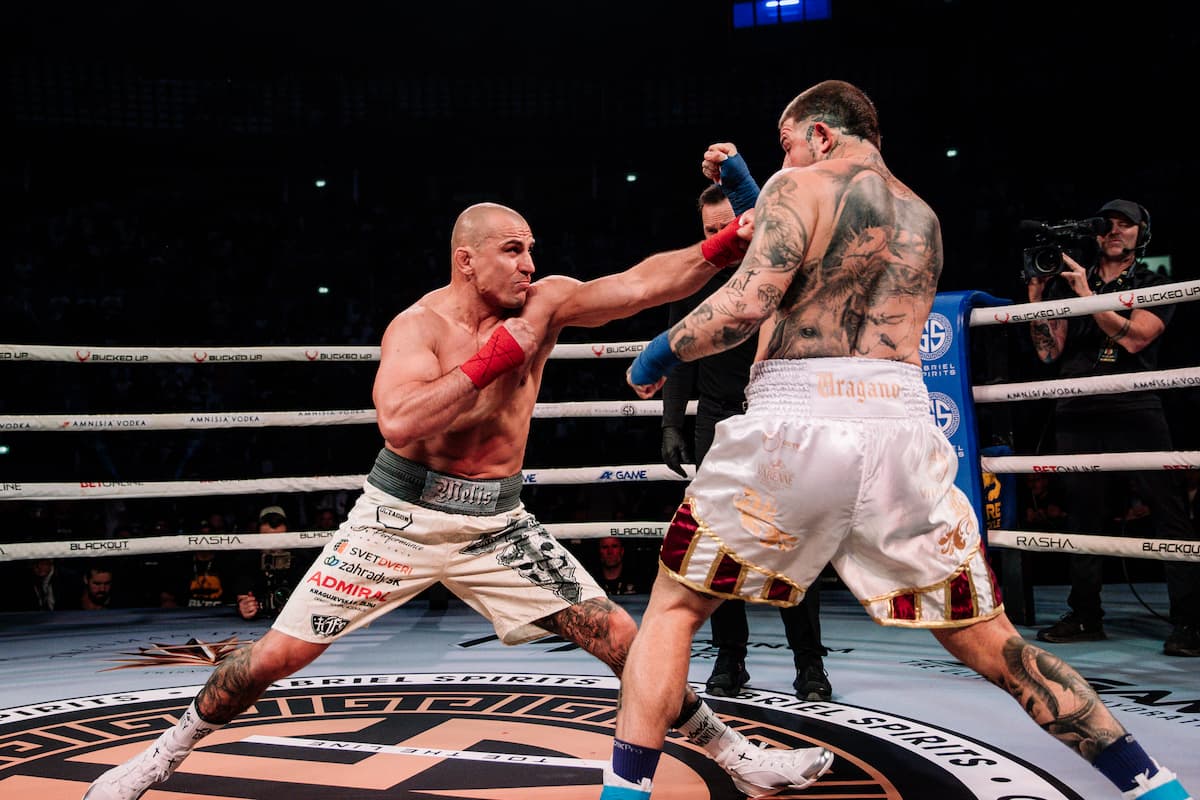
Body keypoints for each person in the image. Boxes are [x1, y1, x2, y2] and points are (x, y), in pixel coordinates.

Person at [85, 201, 831, 800]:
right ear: (465, 259)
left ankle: (740, 759)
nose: (530, 264)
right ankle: (163, 754)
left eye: (531, 249)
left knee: (626, 644)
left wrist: (722, 248)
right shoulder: (418, 327)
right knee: (278, 656)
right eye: (513, 250)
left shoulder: (545, 304)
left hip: (497, 523)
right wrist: (492, 358)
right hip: (398, 519)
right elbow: (401, 422)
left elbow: (642, 285)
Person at [602, 80, 1191, 800]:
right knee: (996, 645)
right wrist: (750, 180)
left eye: (787, 140)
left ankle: (622, 793)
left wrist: (654, 356)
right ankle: (1153, 785)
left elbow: (750, 301)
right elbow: (831, 251)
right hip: (900, 430)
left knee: (672, 611)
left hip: (799, 422)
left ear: (819, 135)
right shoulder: (924, 215)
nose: (783, 156)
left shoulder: (800, 180)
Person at [663, 161, 831, 702]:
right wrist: (672, 423)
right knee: (719, 546)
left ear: (752, 218)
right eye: (711, 230)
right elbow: (680, 355)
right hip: (718, 418)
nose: (721, 238)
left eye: (730, 225)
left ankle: (809, 664)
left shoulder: (787, 271)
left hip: (779, 414)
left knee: (793, 540)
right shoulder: (695, 277)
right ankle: (730, 660)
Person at [1027, 199, 1200, 657]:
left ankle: (1189, 621)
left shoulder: (1153, 283)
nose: (1115, 231)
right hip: (1077, 407)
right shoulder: (1070, 283)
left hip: (1135, 407)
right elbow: (1049, 353)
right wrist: (1036, 295)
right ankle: (1085, 614)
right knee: (1083, 516)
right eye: (1108, 224)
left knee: (1169, 515)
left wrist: (1087, 295)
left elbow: (1135, 337)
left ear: (1142, 234)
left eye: (1127, 225)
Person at [234, 505, 308, 621]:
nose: (274, 547)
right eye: (268, 540)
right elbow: (242, 594)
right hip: (256, 623)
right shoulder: (248, 560)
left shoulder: (301, 560)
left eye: (279, 540)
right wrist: (244, 605)